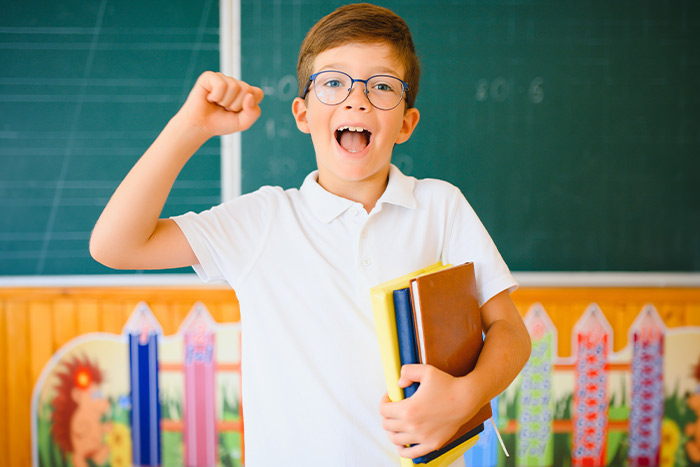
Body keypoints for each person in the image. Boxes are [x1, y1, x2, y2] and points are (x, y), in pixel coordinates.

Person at [90, 3, 531, 466]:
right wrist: (190, 128)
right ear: (302, 113)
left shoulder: (440, 206)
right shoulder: (263, 221)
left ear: (406, 123)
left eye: (381, 86)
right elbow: (116, 245)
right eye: (333, 83)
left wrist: (465, 397)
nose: (356, 100)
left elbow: (510, 332)